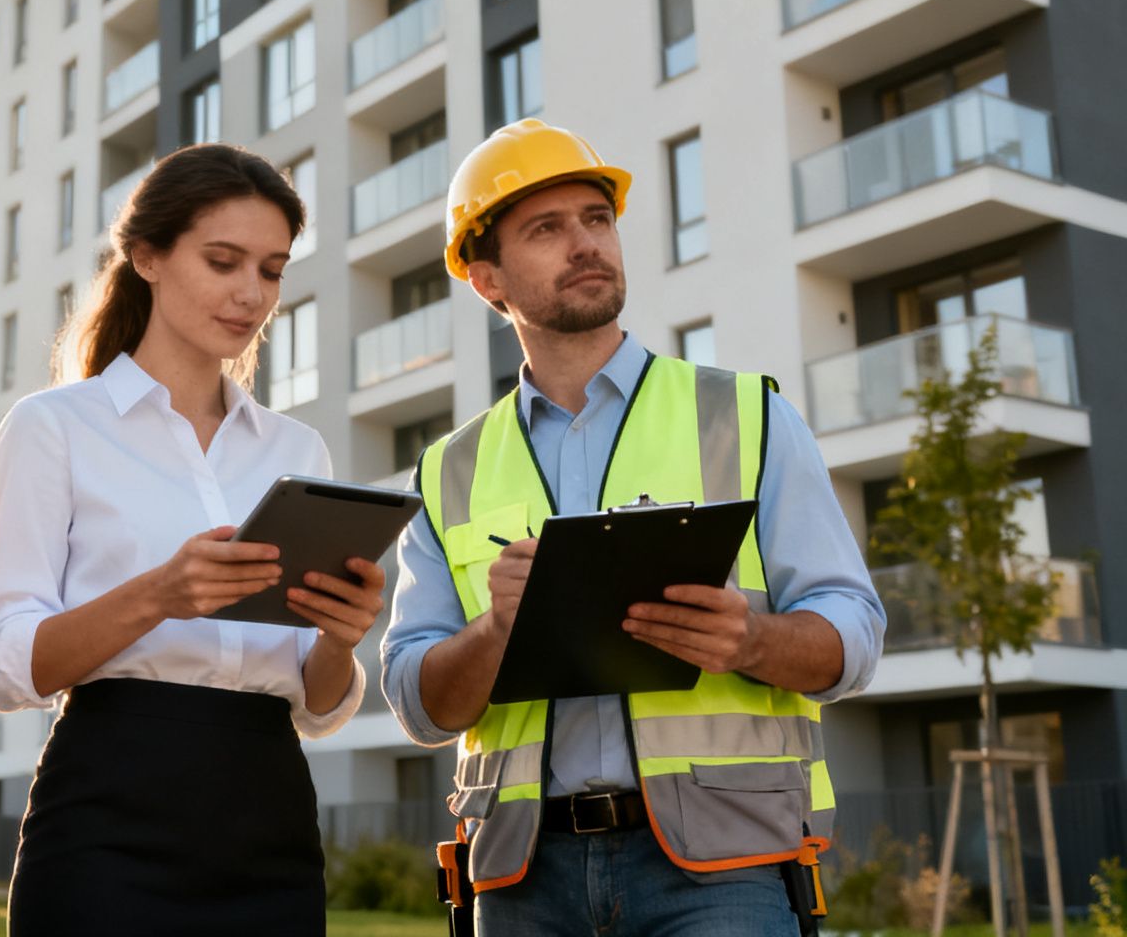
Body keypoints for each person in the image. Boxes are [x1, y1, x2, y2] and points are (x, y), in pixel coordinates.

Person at [380, 119, 887, 936]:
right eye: (546, 229)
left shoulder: (748, 418)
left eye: (597, 219)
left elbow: (854, 634)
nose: (585, 244)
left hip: (724, 871)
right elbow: (417, 702)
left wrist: (750, 641)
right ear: (486, 279)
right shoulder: (449, 471)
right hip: (521, 876)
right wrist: (495, 631)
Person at [0, 145, 386, 937]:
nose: (250, 293)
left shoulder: (296, 453)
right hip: (106, 812)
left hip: (270, 813)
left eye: (270, 270)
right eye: (223, 261)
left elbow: (319, 703)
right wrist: (159, 594)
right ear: (148, 257)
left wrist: (340, 638)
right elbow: (4, 666)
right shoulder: (55, 428)